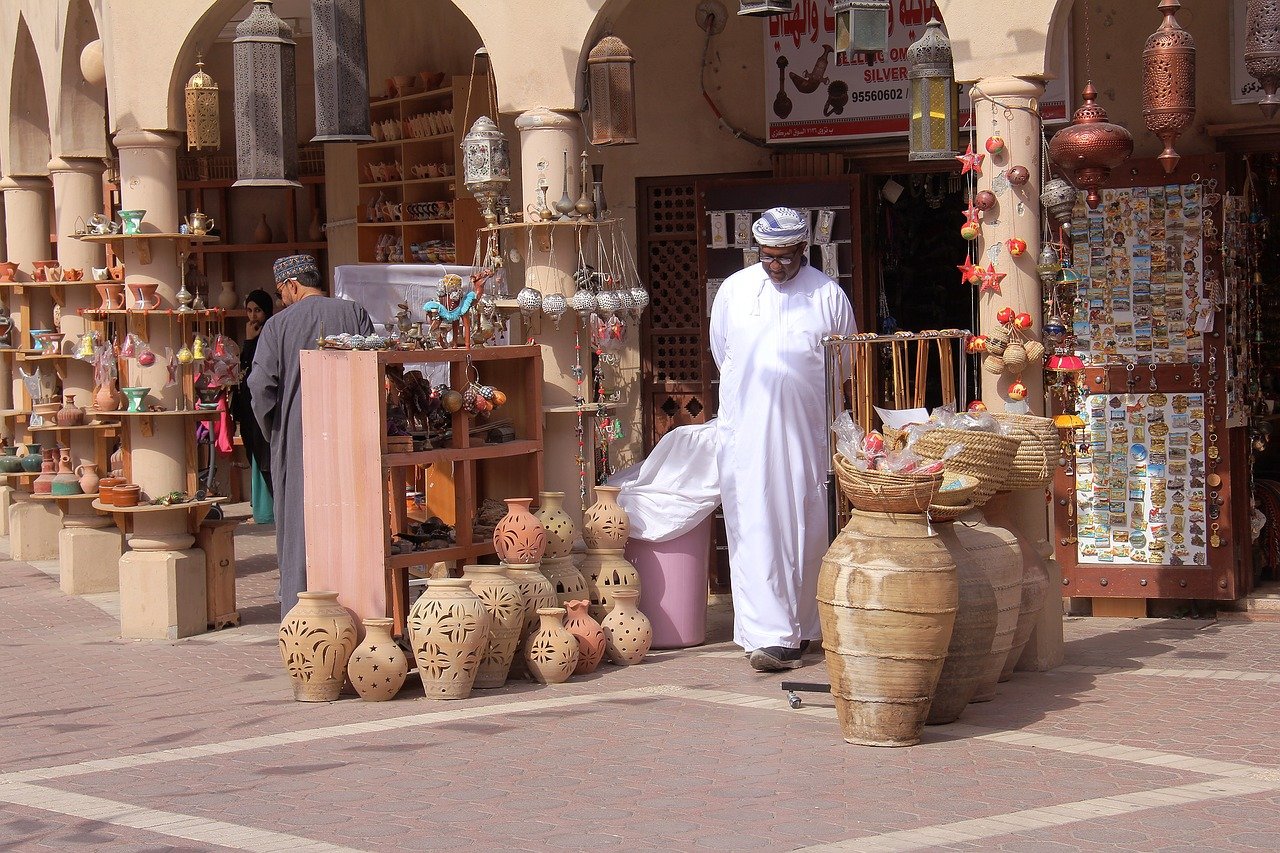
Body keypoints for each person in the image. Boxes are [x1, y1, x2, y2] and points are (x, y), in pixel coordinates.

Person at [710, 207, 857, 672]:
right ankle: (768, 636)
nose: (775, 265)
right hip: (748, 435)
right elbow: (723, 354)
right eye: (767, 256)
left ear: (804, 250)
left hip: (805, 435)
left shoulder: (827, 295)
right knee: (754, 526)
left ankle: (805, 627)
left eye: (785, 257)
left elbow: (844, 364)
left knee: (806, 525)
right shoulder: (735, 291)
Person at [249, 255, 374, 617]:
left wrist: (276, 430)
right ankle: (361, 615)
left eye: (280, 291)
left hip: (299, 441)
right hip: (353, 439)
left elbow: (261, 389)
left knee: (300, 532)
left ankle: (302, 621)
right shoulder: (355, 314)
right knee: (354, 526)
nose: (281, 298)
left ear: (292, 285)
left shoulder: (277, 327)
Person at [233, 289, 275, 525]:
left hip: (265, 404)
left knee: (265, 450)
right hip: (250, 406)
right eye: (249, 310)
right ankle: (261, 508)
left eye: (257, 310)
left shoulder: (270, 333)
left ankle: (268, 511)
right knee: (255, 450)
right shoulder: (252, 334)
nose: (253, 316)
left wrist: (250, 342)